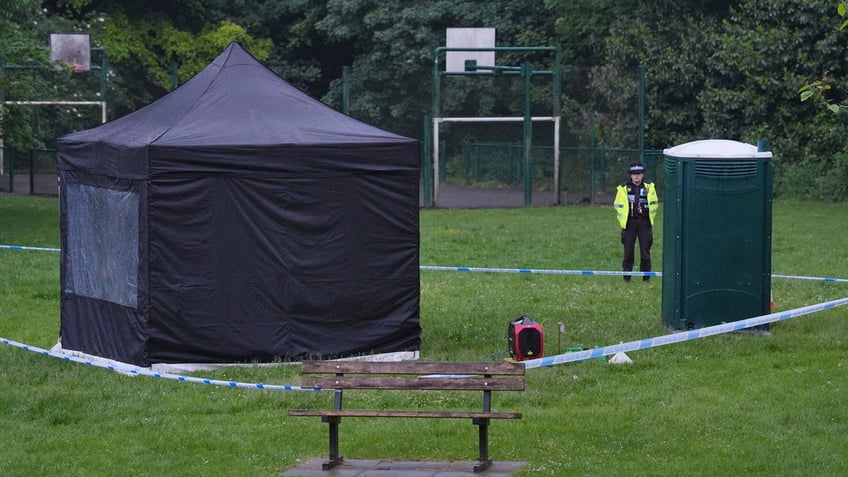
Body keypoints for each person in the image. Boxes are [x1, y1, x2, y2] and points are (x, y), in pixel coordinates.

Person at [614, 162, 658, 282]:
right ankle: (627, 278)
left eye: (638, 174)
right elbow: (618, 205)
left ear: (642, 174)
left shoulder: (649, 187)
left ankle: (646, 278)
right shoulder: (623, 188)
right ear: (631, 175)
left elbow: (654, 204)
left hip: (644, 222)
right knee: (628, 252)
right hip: (629, 223)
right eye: (634, 174)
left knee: (645, 252)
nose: (636, 176)